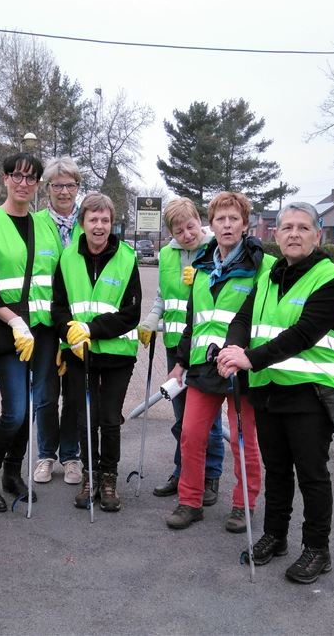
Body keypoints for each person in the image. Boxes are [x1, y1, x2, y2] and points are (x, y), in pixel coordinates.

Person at [217, 202, 334, 584]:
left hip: (312, 393)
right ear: (275, 235)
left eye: (303, 227)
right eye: (287, 228)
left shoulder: (330, 278)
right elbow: (242, 319)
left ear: (317, 234)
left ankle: (317, 548)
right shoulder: (269, 276)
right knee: (277, 470)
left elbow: (303, 334)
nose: (294, 234)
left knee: (311, 473)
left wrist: (248, 358)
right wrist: (232, 349)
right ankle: (275, 536)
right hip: (269, 390)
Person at [164, 192, 268, 533]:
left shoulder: (260, 266)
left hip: (241, 366)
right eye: (221, 219)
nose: (226, 225)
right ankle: (190, 501)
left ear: (244, 224)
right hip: (202, 366)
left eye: (233, 219)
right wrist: (181, 361)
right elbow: (193, 320)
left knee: (242, 440)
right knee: (192, 435)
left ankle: (243, 505)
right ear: (212, 224)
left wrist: (247, 356)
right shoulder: (204, 266)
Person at [0, 153, 60, 512]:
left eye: (31, 178)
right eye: (17, 176)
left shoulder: (46, 225)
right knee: (15, 412)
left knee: (33, 409)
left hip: (43, 331)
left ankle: (12, 473)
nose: (24, 183)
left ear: (38, 184)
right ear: (5, 178)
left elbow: (56, 278)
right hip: (9, 330)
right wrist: (13, 321)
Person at [52, 192, 141, 512]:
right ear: (82, 223)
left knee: (109, 418)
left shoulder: (127, 257)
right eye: (93, 220)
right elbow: (58, 307)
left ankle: (108, 478)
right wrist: (69, 332)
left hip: (117, 353)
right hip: (78, 353)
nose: (99, 226)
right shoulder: (67, 258)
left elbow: (131, 313)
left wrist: (91, 328)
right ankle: (90, 476)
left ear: (111, 223)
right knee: (85, 418)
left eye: (105, 220)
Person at [137, 198, 224, 507]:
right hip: (175, 347)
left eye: (190, 227)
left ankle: (210, 475)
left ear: (198, 220)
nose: (187, 235)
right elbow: (162, 297)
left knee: (207, 421)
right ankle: (183, 471)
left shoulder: (216, 248)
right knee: (181, 418)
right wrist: (150, 320)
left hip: (207, 347)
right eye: (178, 230)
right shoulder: (166, 254)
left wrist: (205, 277)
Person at [31, 155, 83, 485]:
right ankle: (46, 454)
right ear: (47, 188)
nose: (64, 191)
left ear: (78, 187)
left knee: (76, 393)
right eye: (57, 185)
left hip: (79, 322)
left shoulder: (88, 221)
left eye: (70, 185)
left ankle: (72, 455)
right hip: (45, 323)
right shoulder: (33, 223)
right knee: (46, 393)